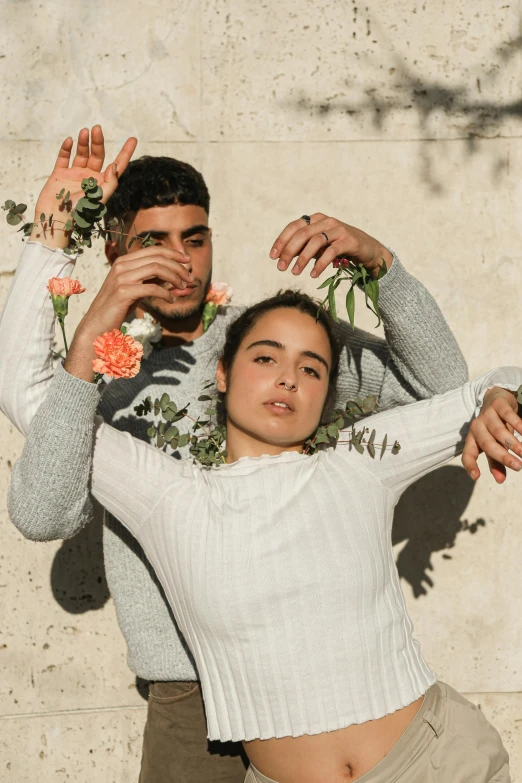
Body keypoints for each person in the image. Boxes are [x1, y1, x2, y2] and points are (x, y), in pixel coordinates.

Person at [0, 125, 471, 782]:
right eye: (152, 242)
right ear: (114, 250)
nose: (180, 260)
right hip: (191, 695)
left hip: (315, 673)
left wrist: (380, 267)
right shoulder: (100, 373)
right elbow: (43, 509)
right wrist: (51, 242)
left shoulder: (272, 345)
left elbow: (445, 392)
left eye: (194, 238)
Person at [5, 286, 521, 783]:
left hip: (438, 763)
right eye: (266, 358)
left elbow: (487, 386)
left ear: (328, 391)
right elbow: (27, 394)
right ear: (223, 374)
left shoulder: (361, 457)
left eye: (311, 368)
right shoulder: (169, 497)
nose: (289, 379)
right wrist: (82, 297)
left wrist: (499, 396)